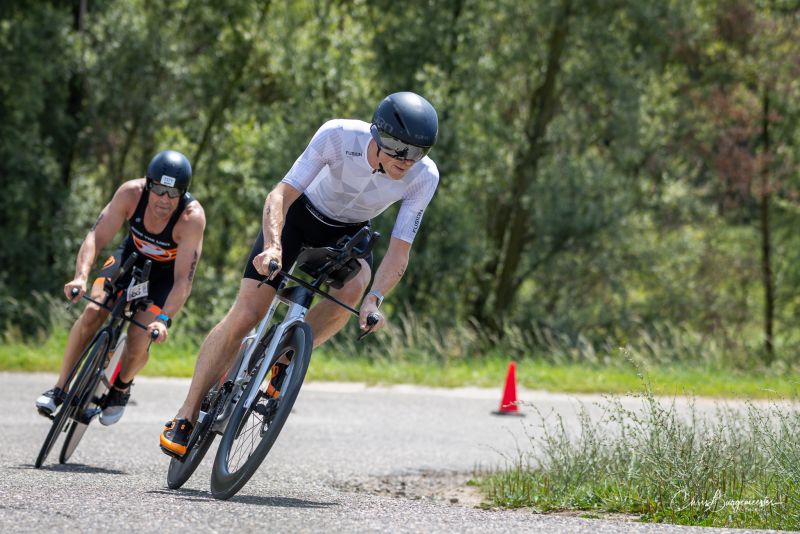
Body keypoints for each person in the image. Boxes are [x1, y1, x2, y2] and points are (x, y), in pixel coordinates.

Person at [160, 91, 439, 457]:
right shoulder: (338, 135)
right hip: (298, 217)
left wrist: (376, 299)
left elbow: (400, 250)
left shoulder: (424, 177)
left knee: (354, 288)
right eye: (398, 148)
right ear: (378, 134)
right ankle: (186, 413)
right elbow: (280, 195)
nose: (407, 160)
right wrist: (273, 246)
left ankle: (284, 359)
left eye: (418, 152)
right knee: (246, 314)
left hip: (348, 231)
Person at [36, 150, 206, 426]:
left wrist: (163, 319)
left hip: (162, 278)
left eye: (173, 193)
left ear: (183, 193)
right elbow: (96, 236)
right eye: (159, 190)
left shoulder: (191, 218)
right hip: (129, 258)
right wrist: (81, 277)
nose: (164, 199)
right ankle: (59, 388)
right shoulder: (130, 194)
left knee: (140, 336)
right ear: (148, 184)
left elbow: (183, 280)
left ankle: (120, 388)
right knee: (93, 312)